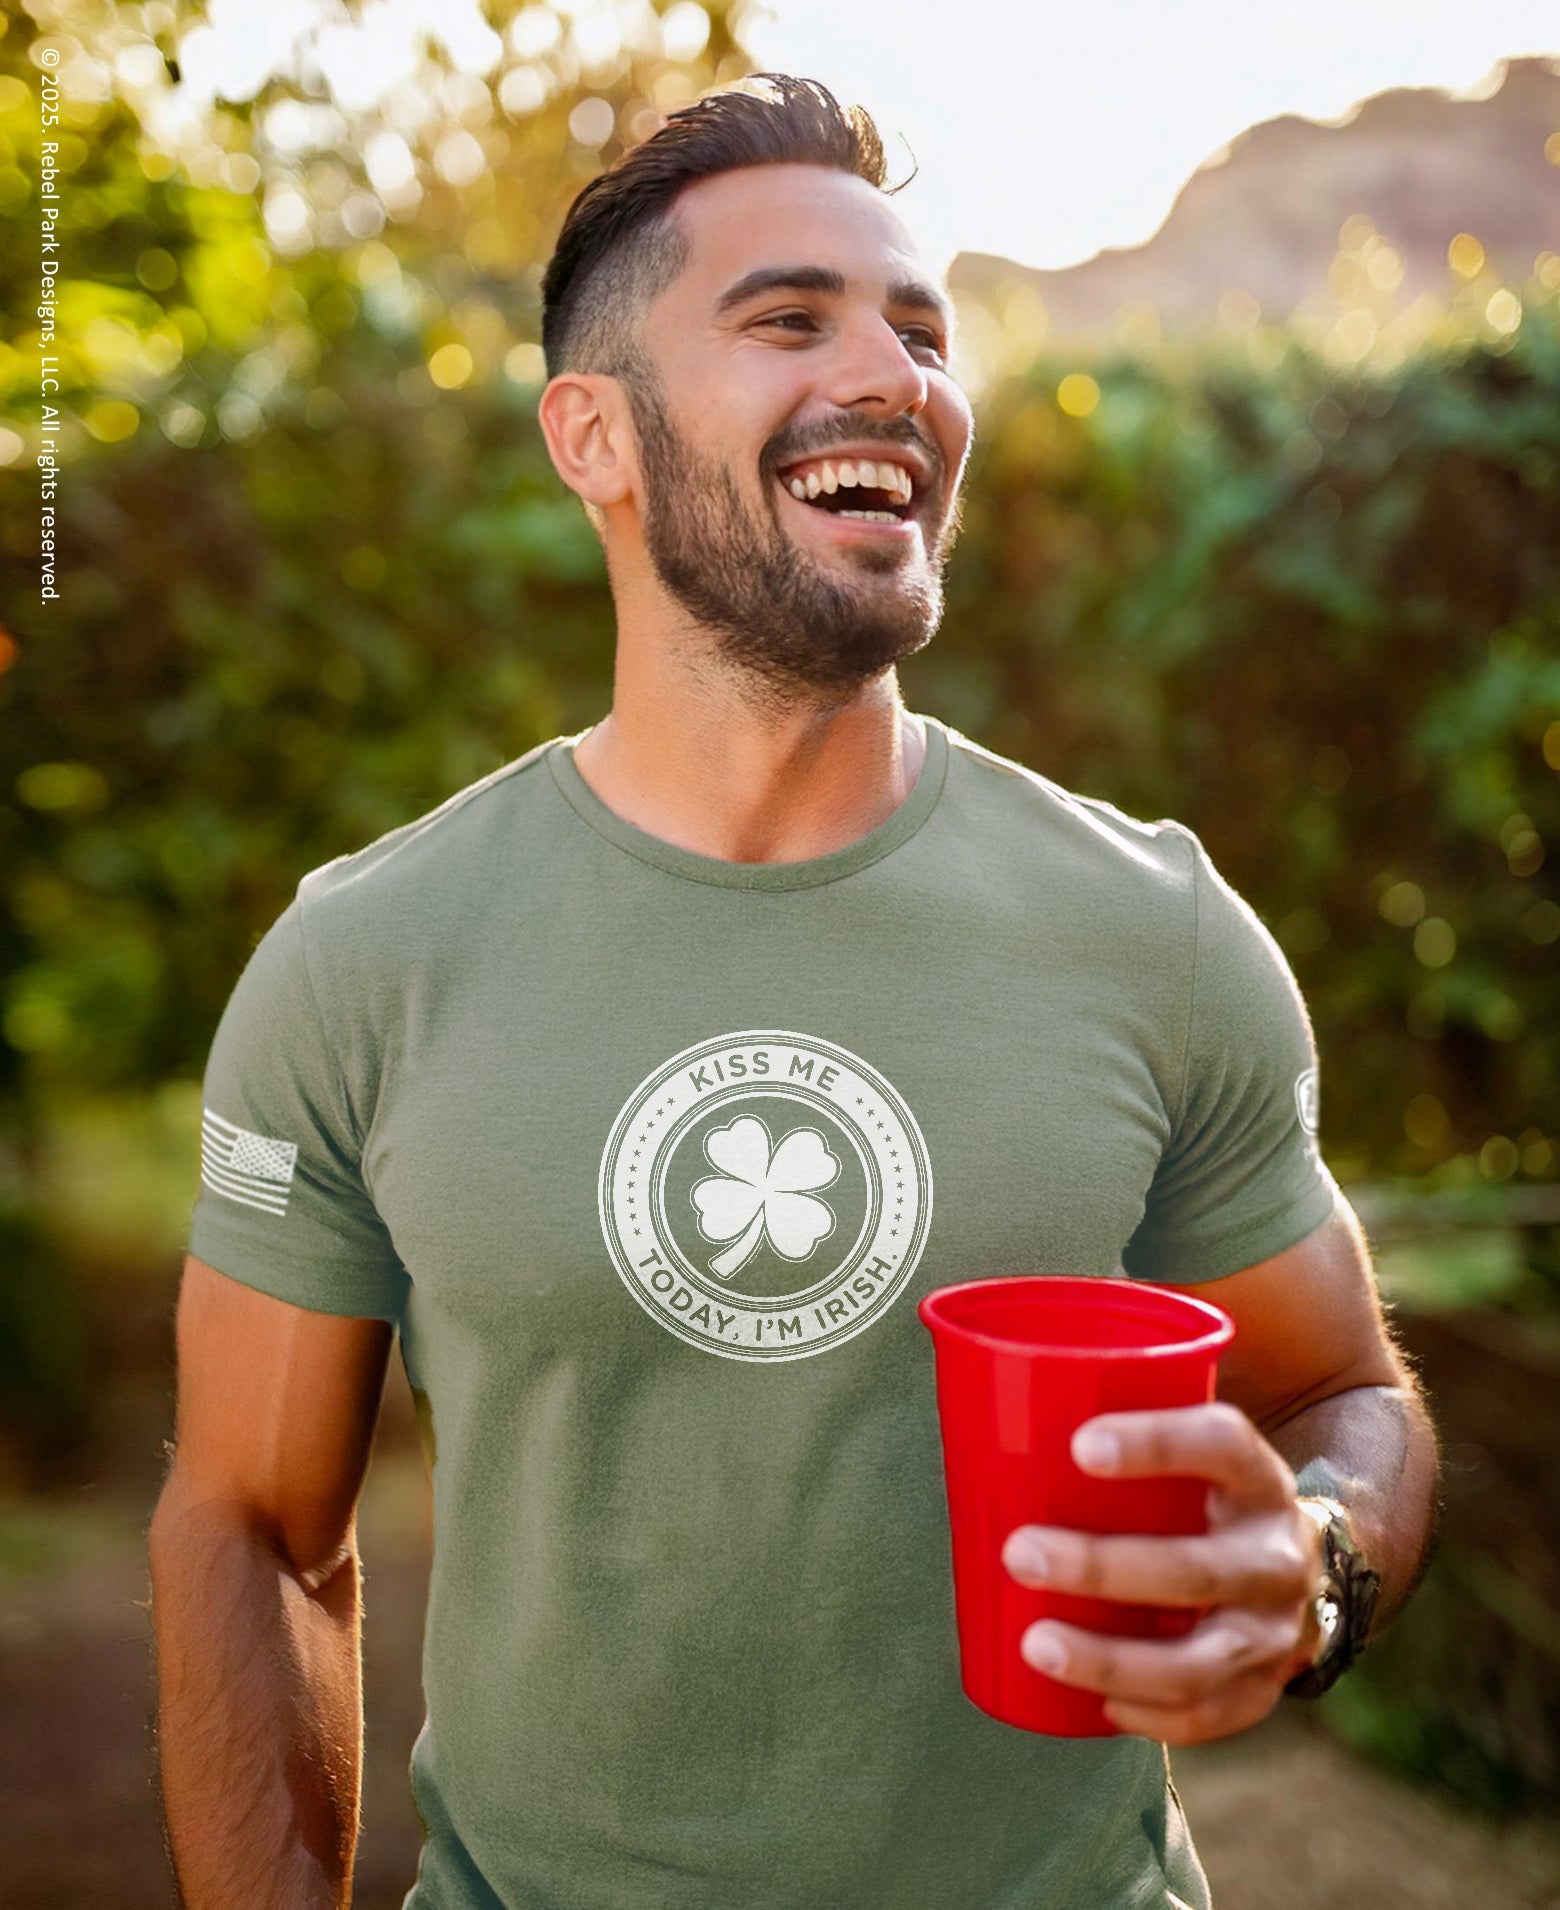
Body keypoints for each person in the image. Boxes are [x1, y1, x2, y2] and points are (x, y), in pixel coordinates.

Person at [148, 74, 1440, 1910]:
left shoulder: (1151, 924)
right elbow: (253, 1528)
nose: (895, 374)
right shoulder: (368, 961)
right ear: (590, 435)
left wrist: (1314, 1564)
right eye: (789, 319)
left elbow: (1345, 1386)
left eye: (924, 329)